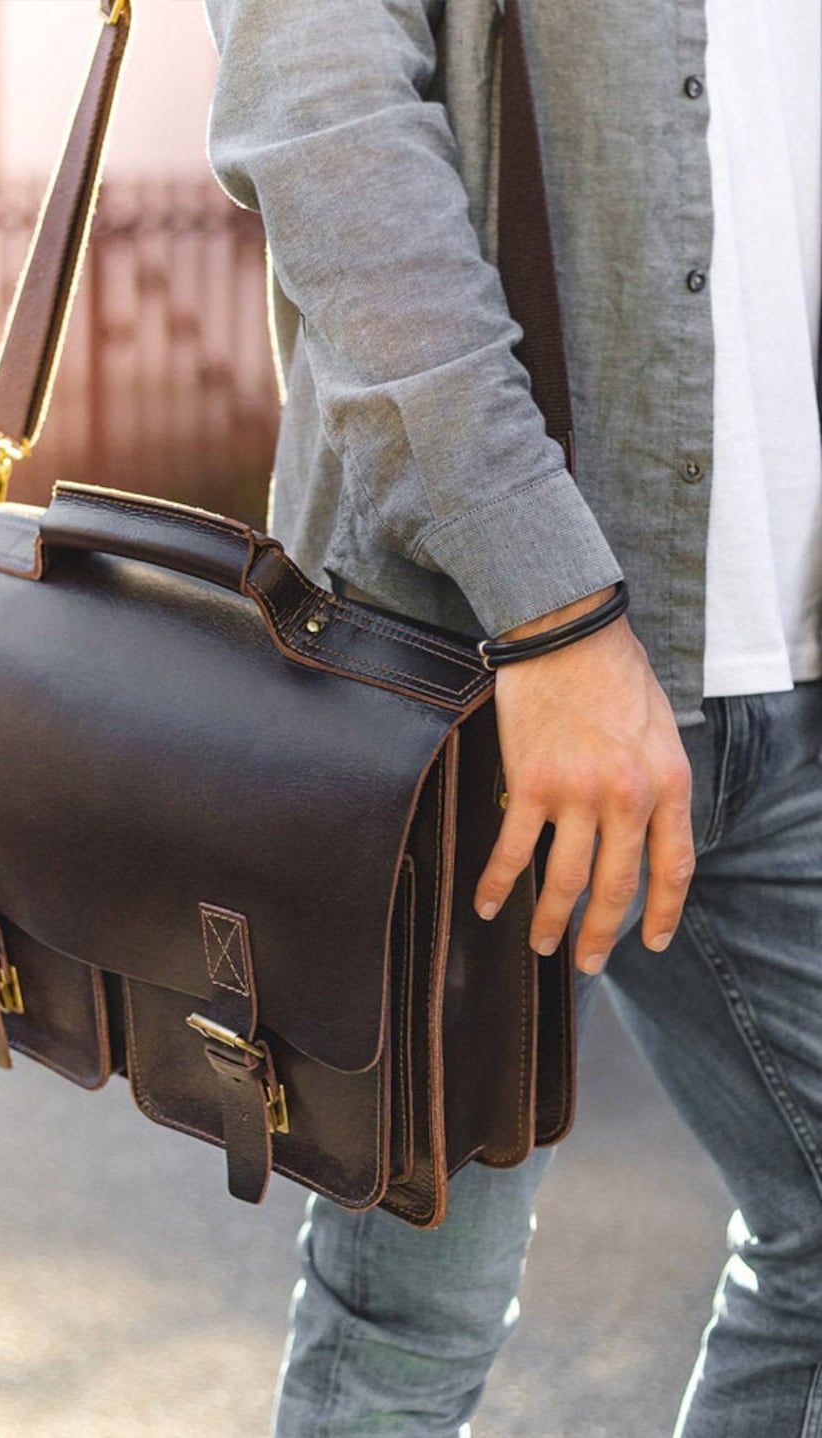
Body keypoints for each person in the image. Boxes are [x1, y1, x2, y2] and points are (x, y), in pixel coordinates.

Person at [202, 0, 822, 1434]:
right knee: (407, 1333)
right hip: (471, 687)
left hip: (785, 665)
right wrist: (555, 610)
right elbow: (329, 130)